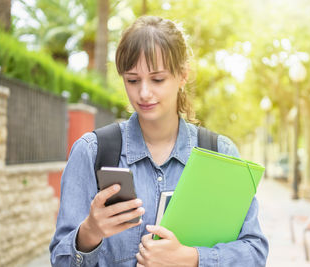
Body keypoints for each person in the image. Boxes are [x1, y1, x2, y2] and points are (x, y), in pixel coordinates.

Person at [49, 16, 268, 267]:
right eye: (132, 80)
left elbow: (254, 252)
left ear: (183, 76)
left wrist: (192, 258)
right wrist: (89, 232)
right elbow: (60, 260)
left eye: (157, 79)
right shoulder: (92, 152)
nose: (143, 93)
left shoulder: (221, 153)